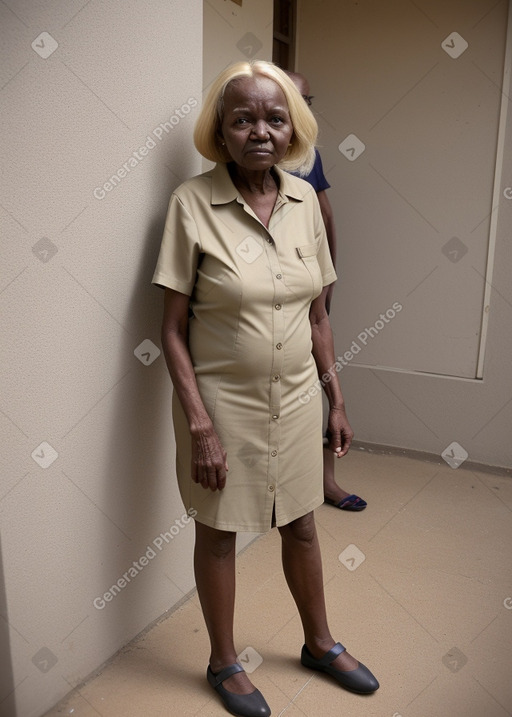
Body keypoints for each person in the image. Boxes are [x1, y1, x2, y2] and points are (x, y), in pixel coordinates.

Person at [153, 60, 379, 717]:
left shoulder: (307, 201)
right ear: (220, 132)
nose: (260, 130)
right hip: (220, 403)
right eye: (243, 117)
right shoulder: (192, 204)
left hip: (301, 394)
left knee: (303, 522)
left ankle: (319, 642)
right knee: (219, 530)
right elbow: (169, 331)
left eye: (275, 118)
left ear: (293, 131)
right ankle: (223, 661)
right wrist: (199, 424)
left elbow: (317, 315)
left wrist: (337, 398)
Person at [286, 70, 367, 513]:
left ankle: (326, 482)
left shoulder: (305, 154)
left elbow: (325, 213)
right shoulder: (248, 152)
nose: (301, 110)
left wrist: (328, 275)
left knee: (321, 369)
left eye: (307, 101)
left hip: (306, 282)